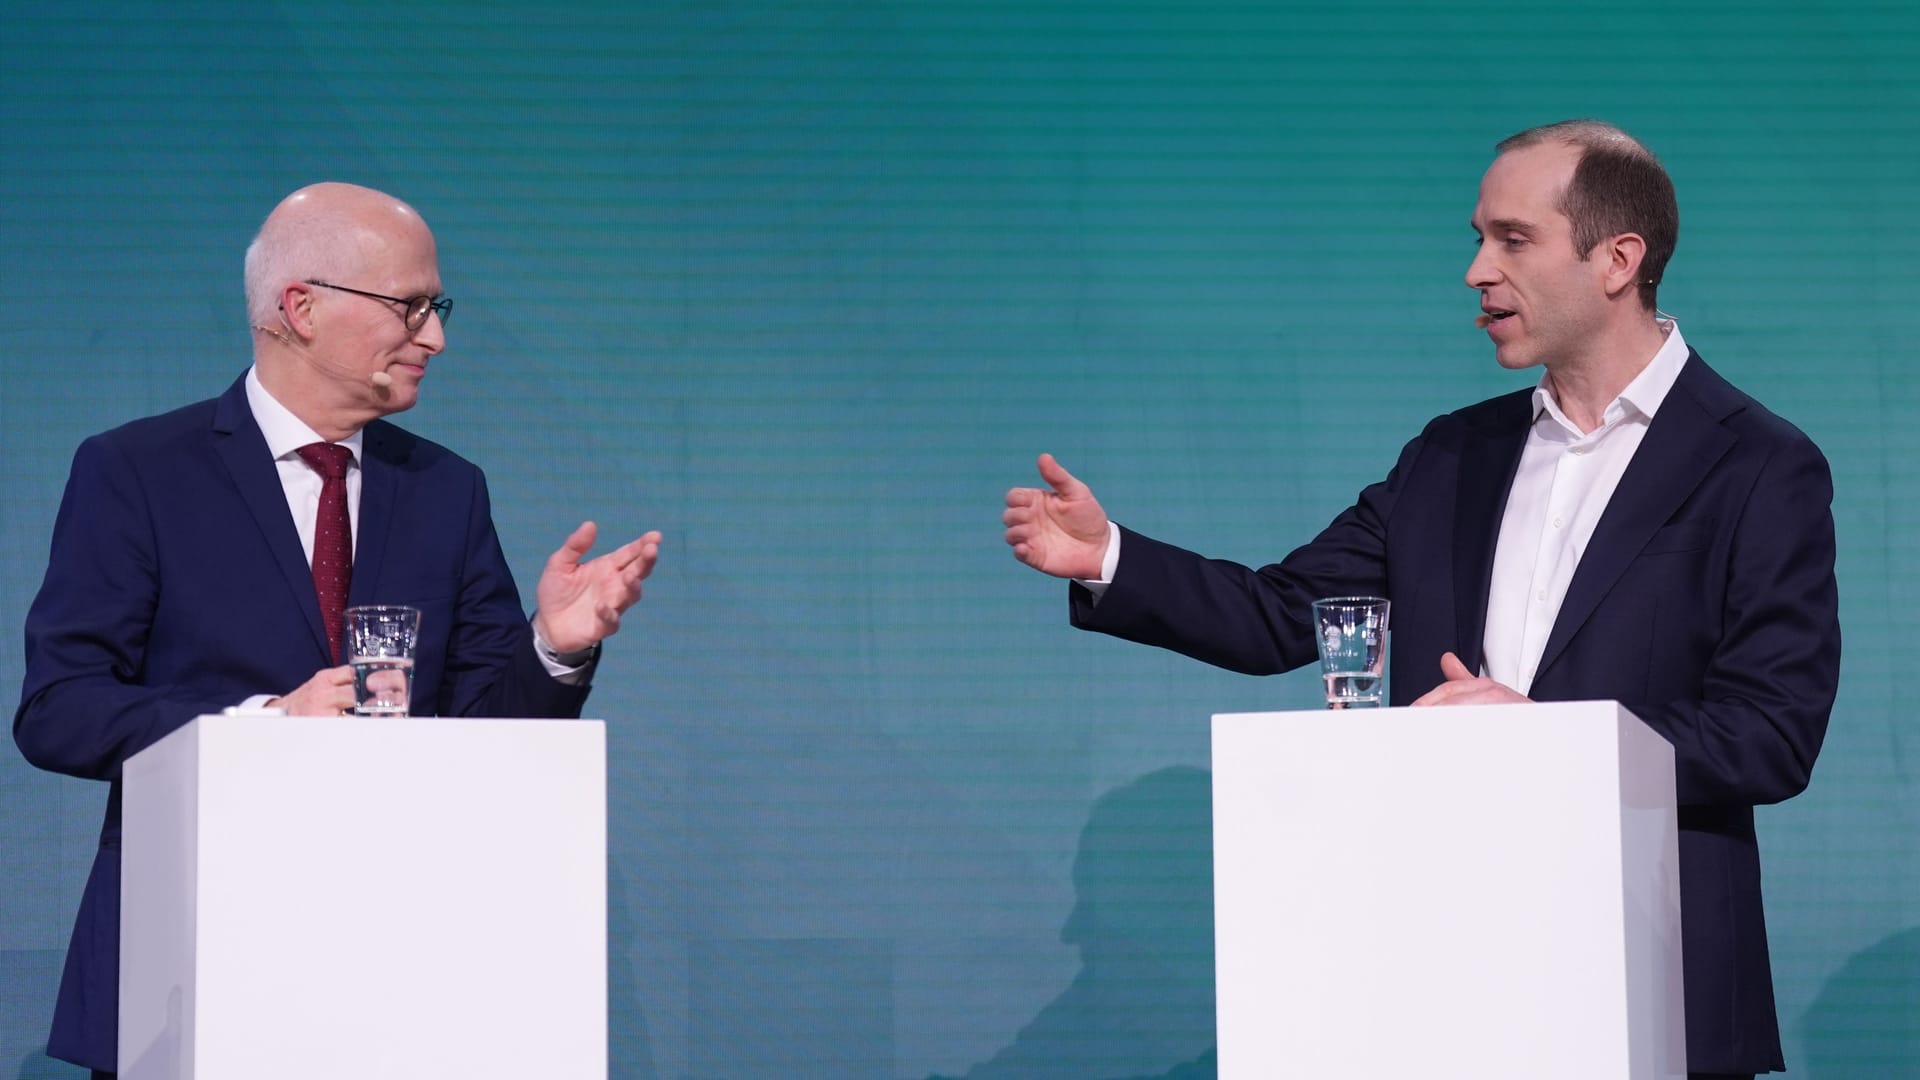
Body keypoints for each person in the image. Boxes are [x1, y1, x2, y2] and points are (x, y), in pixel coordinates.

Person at [1002, 120, 1839, 1080]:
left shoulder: (1758, 464)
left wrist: (1551, 736)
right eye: (1477, 237)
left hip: (1648, 979)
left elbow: (1771, 734)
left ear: (1618, 259)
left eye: (1512, 240)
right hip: (1438, 974)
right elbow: (1282, 613)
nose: (1477, 271)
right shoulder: (1450, 455)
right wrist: (1107, 555)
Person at [13, 182, 663, 1077]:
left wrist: (554, 643)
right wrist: (262, 726)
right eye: (411, 306)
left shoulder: (446, 489)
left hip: (402, 976)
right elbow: (60, 708)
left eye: (438, 308)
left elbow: (487, 734)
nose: (436, 337)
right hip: (195, 960)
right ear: (301, 307)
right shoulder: (138, 472)